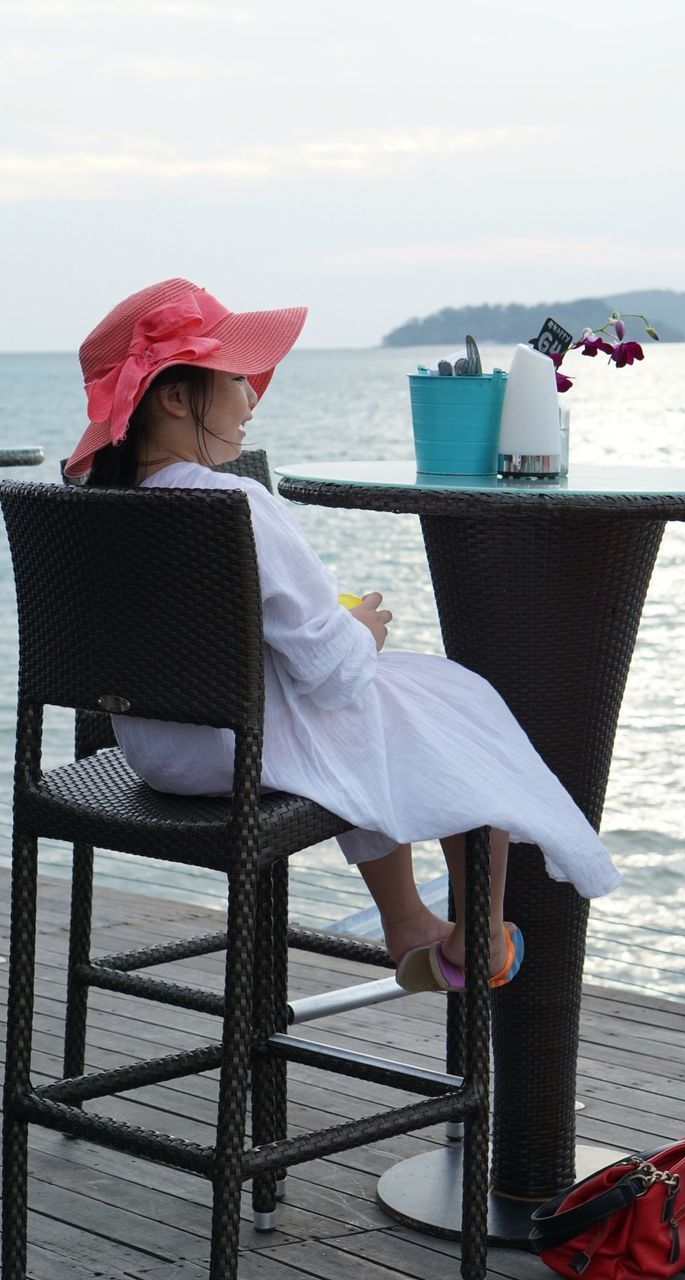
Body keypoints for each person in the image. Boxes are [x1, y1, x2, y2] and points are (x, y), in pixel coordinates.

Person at [65, 277, 621, 994]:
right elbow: (332, 671)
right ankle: (480, 931)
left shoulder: (99, 507)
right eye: (236, 377)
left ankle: (410, 920)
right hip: (237, 757)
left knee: (387, 714)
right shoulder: (234, 503)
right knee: (456, 706)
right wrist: (359, 629)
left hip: (157, 753)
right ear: (174, 398)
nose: (253, 397)